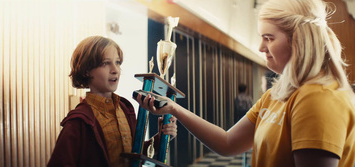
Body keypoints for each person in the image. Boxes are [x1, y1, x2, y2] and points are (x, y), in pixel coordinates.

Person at [136, 0, 355, 166]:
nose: (261, 47)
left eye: (268, 38)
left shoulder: (319, 97)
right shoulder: (276, 95)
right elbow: (227, 142)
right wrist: (174, 108)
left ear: (300, 39)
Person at [47, 36, 177, 167]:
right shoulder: (78, 122)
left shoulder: (126, 108)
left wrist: (161, 137)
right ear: (86, 71)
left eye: (118, 62)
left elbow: (135, 153)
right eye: (105, 63)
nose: (115, 70)